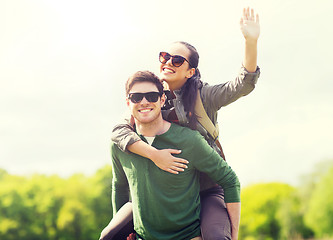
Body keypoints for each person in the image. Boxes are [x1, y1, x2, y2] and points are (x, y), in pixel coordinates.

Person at [111, 7, 260, 239]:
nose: (169, 62)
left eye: (177, 60)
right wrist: (154, 155)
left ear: (190, 71)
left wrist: (251, 42)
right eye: (165, 57)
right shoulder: (150, 99)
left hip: (206, 187)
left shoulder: (205, 97)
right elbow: (118, 132)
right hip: (167, 190)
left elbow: (243, 85)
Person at [100, 71, 241, 240]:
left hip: (188, 236)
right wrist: (124, 228)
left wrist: (233, 234)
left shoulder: (189, 140)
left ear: (162, 100)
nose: (144, 102)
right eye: (136, 97)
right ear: (128, 102)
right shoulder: (119, 145)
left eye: (152, 96)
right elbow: (120, 187)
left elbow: (229, 179)